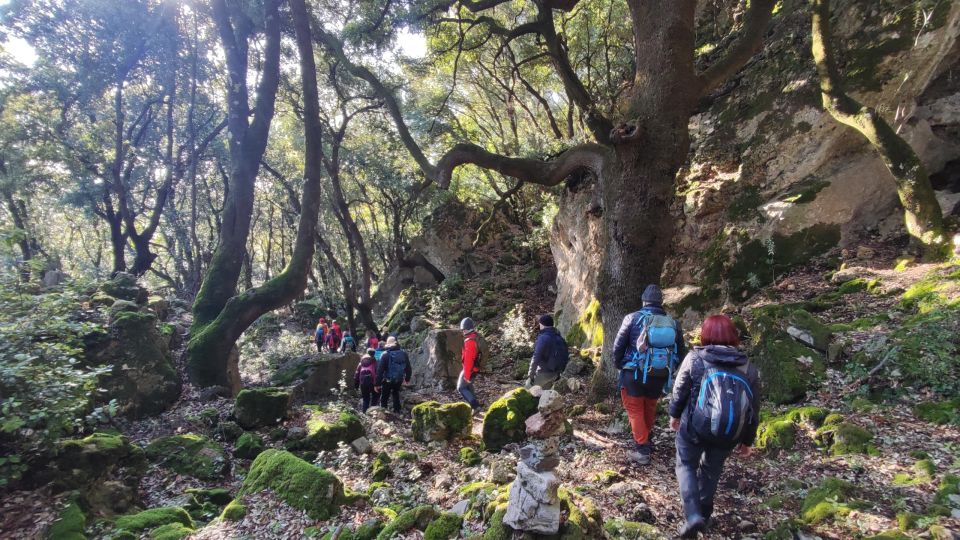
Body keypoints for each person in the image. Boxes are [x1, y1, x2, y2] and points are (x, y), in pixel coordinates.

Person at [669, 314, 760, 538]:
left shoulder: (696, 358)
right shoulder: (748, 369)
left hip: (695, 426)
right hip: (728, 432)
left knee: (686, 465)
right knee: (712, 470)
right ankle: (705, 515)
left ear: (705, 334)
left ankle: (692, 516)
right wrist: (748, 441)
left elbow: (680, 389)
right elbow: (753, 409)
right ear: (733, 336)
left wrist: (674, 414)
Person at [612, 284, 686, 465]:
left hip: (634, 372)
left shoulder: (632, 318)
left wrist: (620, 364)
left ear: (644, 301)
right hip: (660, 373)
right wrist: (670, 367)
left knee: (635, 409)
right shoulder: (673, 323)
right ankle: (646, 438)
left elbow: (618, 346)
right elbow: (681, 351)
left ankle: (642, 449)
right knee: (650, 406)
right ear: (661, 302)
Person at [526, 314, 569, 389]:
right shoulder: (559, 337)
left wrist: (531, 375)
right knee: (544, 392)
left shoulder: (543, 338)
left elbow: (536, 357)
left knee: (527, 388)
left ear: (542, 324)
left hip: (544, 372)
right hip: (556, 373)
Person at [376, 336, 411, 413]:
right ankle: (397, 410)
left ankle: (383, 412)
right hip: (399, 379)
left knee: (384, 396)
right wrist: (407, 379)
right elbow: (408, 367)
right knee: (395, 393)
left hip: (387, 380)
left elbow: (380, 370)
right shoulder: (404, 353)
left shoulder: (385, 354)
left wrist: (377, 384)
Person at [458, 317, 482, 411]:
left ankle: (475, 407)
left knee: (461, 387)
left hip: (470, 369)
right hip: (476, 368)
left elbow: (468, 361)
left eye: (463, 329)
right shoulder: (476, 337)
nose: (462, 331)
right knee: (468, 386)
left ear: (466, 328)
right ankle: (476, 405)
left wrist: (467, 376)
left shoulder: (470, 342)